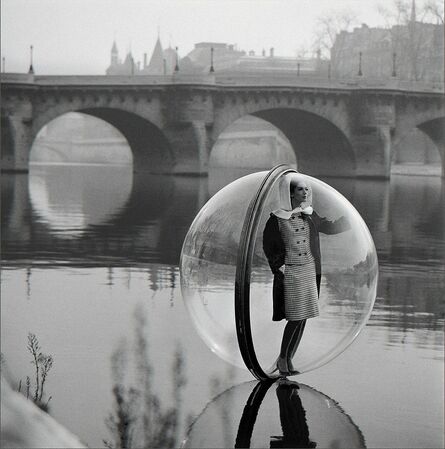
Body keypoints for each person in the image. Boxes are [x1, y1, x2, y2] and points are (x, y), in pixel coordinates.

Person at [263, 173, 349, 376]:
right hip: (291, 271)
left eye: (307, 189)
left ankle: (288, 359)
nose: (305, 192)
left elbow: (329, 227)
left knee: (304, 317)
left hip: (309, 269)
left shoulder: (308, 214)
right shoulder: (276, 219)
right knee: (295, 316)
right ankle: (282, 357)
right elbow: (269, 245)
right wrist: (279, 267)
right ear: (290, 193)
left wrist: (350, 220)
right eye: (300, 189)